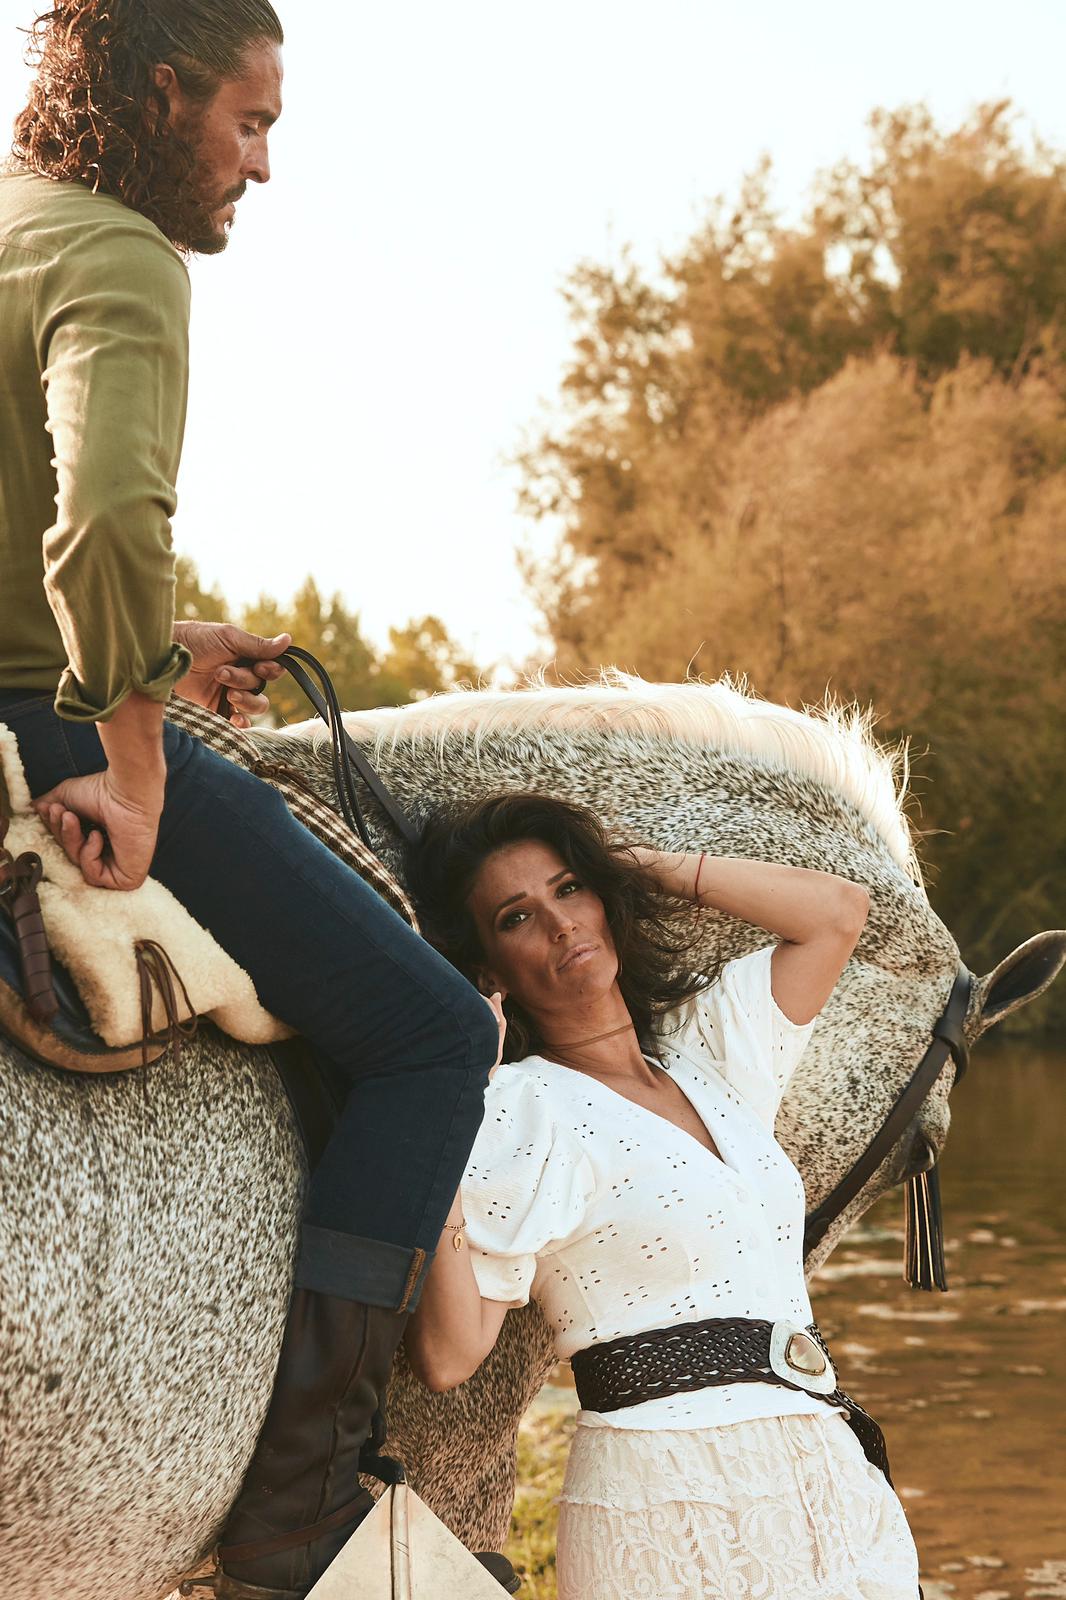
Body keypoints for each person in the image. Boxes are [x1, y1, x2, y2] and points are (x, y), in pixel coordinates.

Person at [0, 5, 500, 1598]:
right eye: (251, 122)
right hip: (44, 721)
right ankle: (298, 1502)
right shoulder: (118, 255)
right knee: (435, 1035)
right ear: (163, 95)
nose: (262, 167)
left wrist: (166, 643)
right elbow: (100, 527)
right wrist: (136, 754)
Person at [405, 794, 922, 1600]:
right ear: (489, 971)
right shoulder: (517, 1109)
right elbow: (448, 1356)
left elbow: (836, 914)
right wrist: (442, 1129)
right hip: (665, 1494)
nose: (561, 924)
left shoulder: (708, 1052)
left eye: (569, 889)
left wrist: (627, 866)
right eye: (517, 917)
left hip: (825, 1469)